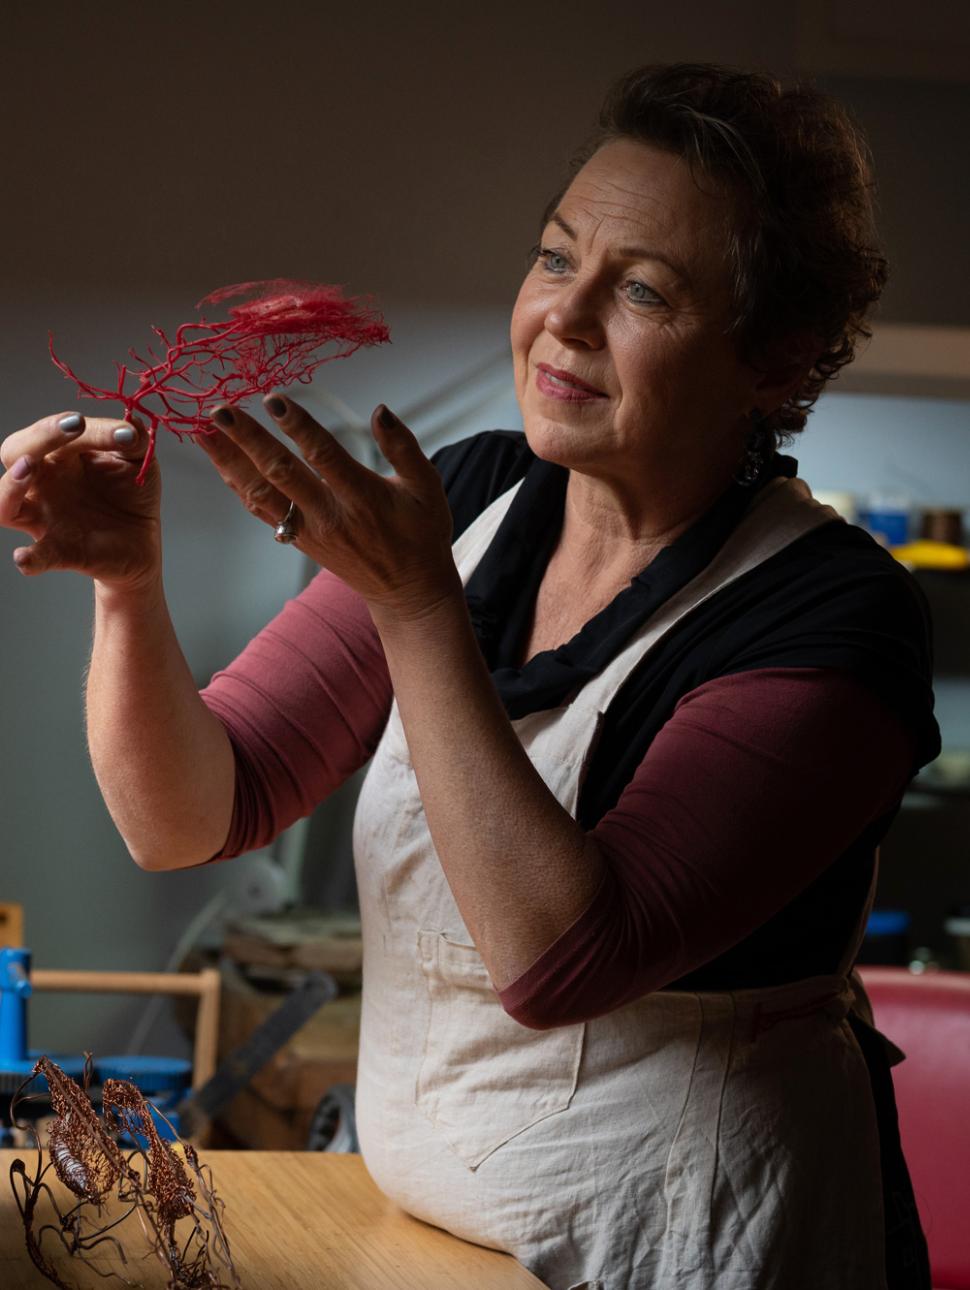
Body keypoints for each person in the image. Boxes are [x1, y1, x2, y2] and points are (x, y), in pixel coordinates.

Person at [1, 63, 939, 1290]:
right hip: (437, 1246)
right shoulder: (481, 495)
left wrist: (414, 604)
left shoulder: (833, 613)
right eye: (556, 260)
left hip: (686, 1247)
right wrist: (127, 590)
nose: (566, 316)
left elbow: (566, 960)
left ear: (779, 358)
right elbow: (188, 813)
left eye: (643, 288)